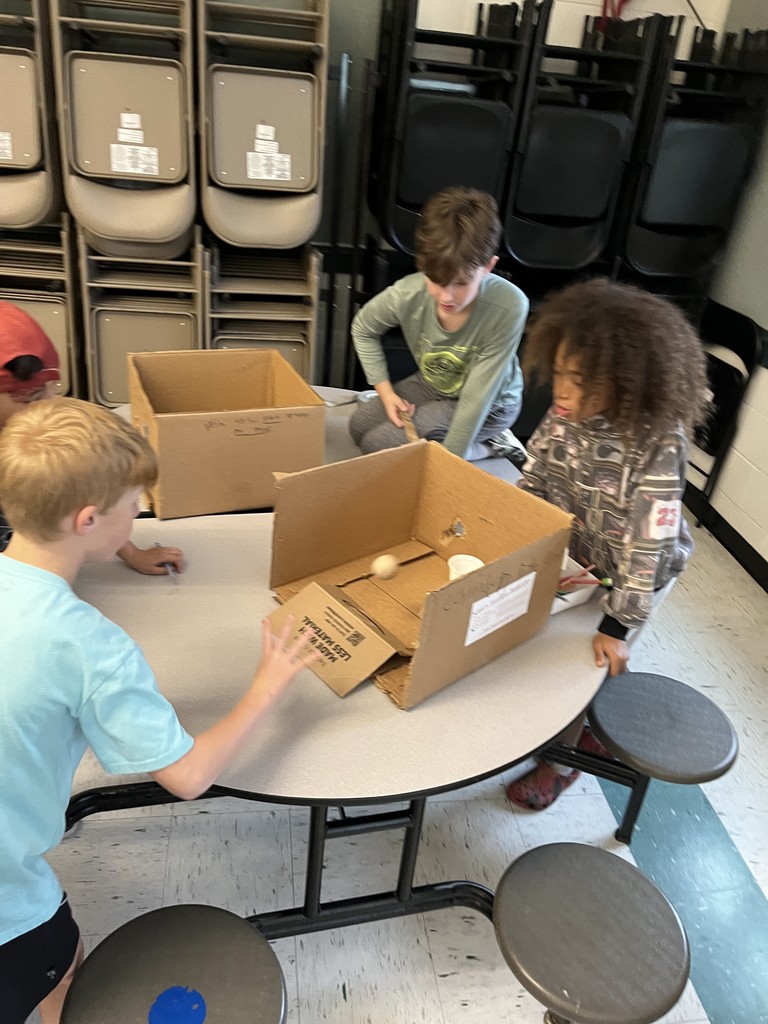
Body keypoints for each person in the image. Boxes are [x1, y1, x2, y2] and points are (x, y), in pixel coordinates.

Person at [0, 397, 319, 1024]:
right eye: (133, 504)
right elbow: (188, 776)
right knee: (65, 963)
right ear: (88, 519)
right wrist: (267, 685)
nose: (141, 509)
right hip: (7, 907)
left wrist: (127, 549)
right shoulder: (92, 645)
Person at [506, 278, 709, 811]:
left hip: (641, 572)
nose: (561, 391)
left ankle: (561, 765)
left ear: (624, 384)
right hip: (587, 549)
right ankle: (591, 719)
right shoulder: (564, 415)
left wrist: (618, 626)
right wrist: (512, 528)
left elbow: (649, 543)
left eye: (579, 381)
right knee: (565, 645)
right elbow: (536, 476)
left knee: (589, 658)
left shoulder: (658, 440)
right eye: (559, 373)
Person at [349, 187, 529, 466]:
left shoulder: (509, 306)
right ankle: (444, 438)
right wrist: (386, 393)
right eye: (436, 281)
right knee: (359, 426)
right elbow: (363, 329)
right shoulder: (407, 293)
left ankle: (491, 446)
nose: (446, 297)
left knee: (376, 445)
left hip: (491, 404)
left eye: (461, 283)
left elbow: (476, 399)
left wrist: (449, 465)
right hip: (434, 384)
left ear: (488, 267)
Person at [0, 300, 182, 574]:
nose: (49, 403)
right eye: (33, 397)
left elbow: (92, 486)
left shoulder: (35, 428)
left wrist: (131, 553)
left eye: (53, 388)